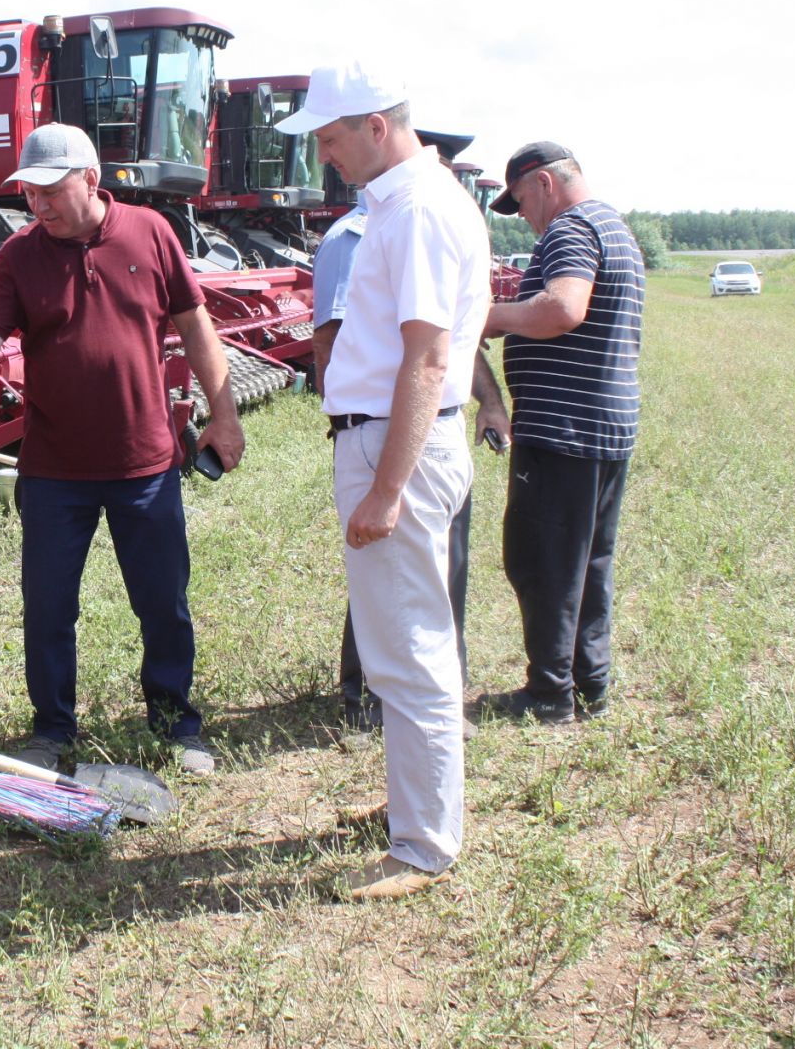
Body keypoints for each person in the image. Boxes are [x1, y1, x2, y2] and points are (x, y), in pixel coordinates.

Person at [0, 123, 245, 777]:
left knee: (162, 601)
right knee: (49, 606)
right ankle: (52, 729)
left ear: (90, 179)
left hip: (146, 463)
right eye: (29, 192)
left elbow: (197, 327)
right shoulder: (21, 257)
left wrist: (224, 416)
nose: (39, 205)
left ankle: (174, 720)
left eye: (52, 190)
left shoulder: (150, 232)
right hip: (54, 469)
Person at [275, 61, 489, 900]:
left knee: (408, 651)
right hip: (384, 440)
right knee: (401, 643)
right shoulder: (399, 207)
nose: (322, 154)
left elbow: (429, 358)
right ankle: (418, 807)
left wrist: (388, 486)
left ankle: (426, 845)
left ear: (376, 126)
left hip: (396, 446)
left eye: (328, 137)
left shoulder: (421, 213)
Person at [312, 189, 510, 732]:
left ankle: (432, 697)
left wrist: (489, 401)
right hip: (380, 430)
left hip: (433, 426)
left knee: (440, 566)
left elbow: (447, 342)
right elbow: (329, 339)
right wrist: (347, 428)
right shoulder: (350, 239)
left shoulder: (430, 220)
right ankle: (374, 694)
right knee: (385, 568)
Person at [480, 143, 644, 725]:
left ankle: (550, 694)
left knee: (543, 560)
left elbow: (562, 309)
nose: (523, 215)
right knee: (588, 561)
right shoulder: (612, 226)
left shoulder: (571, 229)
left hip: (563, 428)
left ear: (545, 183)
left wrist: (487, 314)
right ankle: (588, 684)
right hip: (603, 424)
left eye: (521, 201)